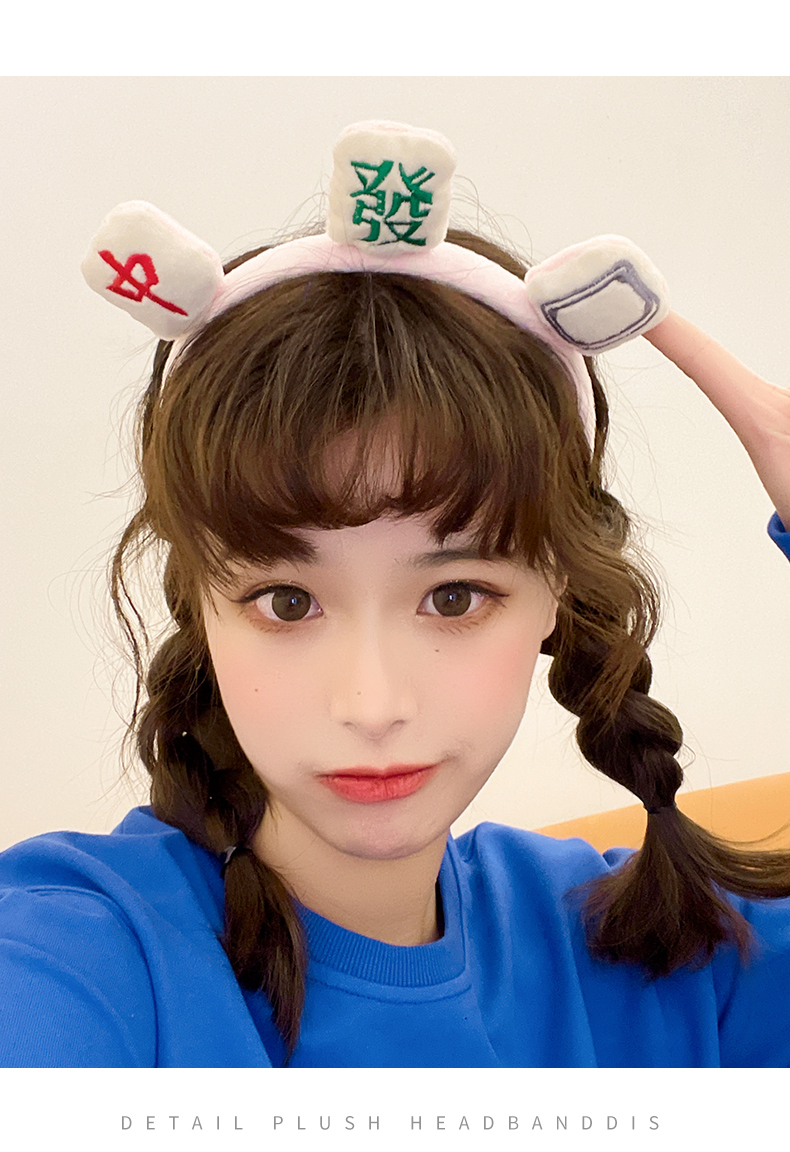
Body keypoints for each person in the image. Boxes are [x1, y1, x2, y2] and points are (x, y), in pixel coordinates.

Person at [1, 120, 789, 1068]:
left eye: (453, 597)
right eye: (286, 601)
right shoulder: (82, 953)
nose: (371, 705)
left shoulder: (666, 952)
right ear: (203, 607)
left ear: (556, 593)